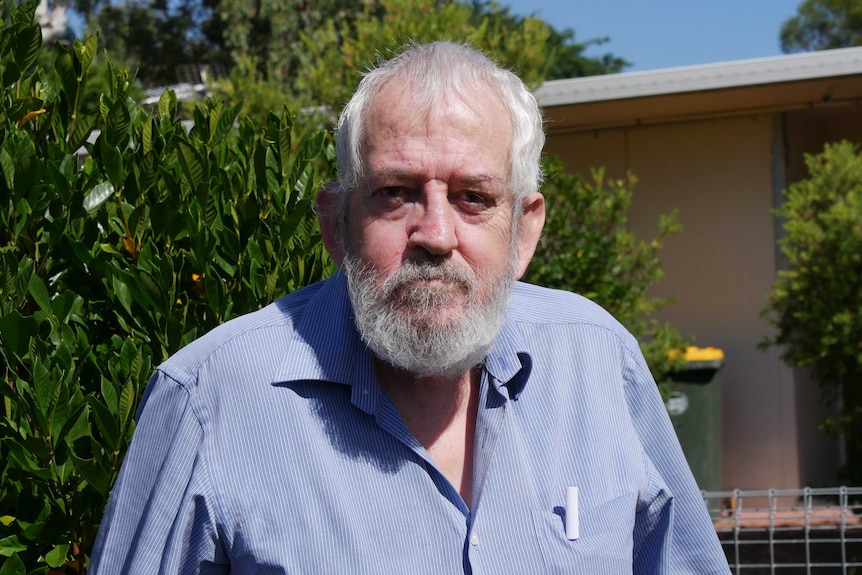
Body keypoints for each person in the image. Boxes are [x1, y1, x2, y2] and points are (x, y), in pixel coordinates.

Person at [90, 41, 730, 573]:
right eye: (395, 193)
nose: (436, 234)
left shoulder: (597, 361)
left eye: (474, 197)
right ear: (336, 226)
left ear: (524, 232)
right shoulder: (209, 400)